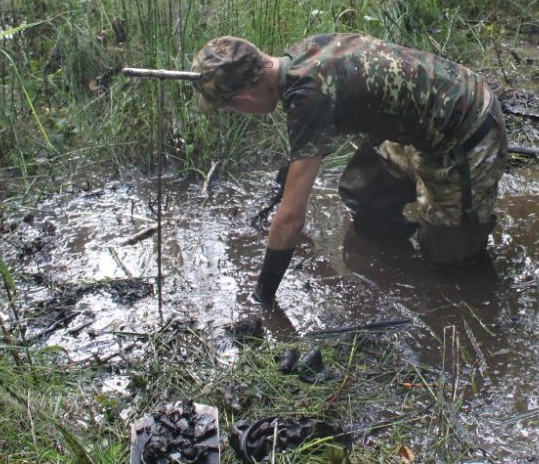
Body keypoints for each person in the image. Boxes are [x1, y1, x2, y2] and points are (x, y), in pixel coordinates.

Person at [191, 33, 508, 306]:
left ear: (243, 99)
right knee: (365, 193)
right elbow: (307, 141)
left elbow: (290, 220)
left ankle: (472, 300)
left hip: (465, 127)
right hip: (417, 120)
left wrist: (262, 296)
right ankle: (394, 261)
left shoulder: (308, 97)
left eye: (229, 107)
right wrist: (282, 185)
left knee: (450, 260)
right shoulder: (301, 53)